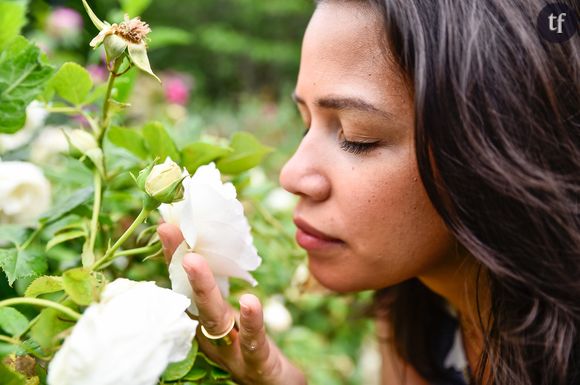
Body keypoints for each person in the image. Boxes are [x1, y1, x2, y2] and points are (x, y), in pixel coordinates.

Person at [157, 0, 580, 384]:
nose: (291, 174)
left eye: (357, 137)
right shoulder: (416, 306)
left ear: (495, 145)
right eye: (306, 124)